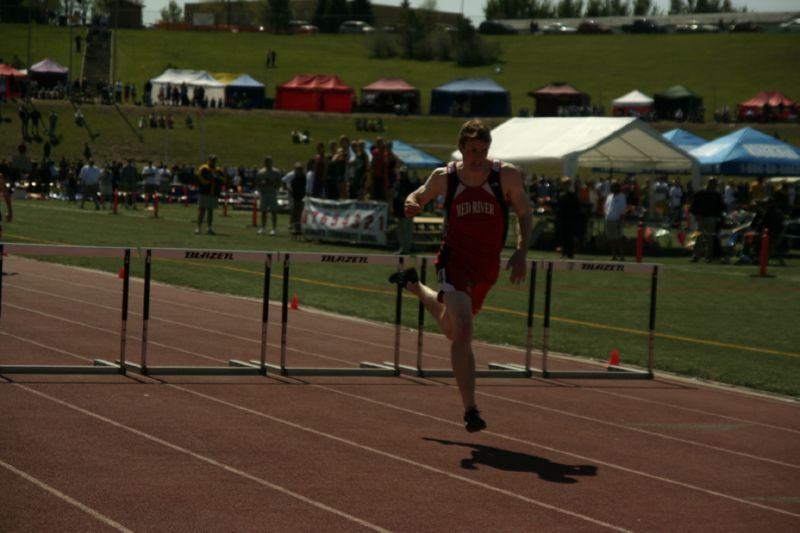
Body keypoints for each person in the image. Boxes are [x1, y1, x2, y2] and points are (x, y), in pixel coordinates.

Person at [387, 119, 531, 432]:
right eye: (472, 150)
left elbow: (524, 212)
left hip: (486, 266)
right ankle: (471, 409)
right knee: (464, 330)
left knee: (453, 330)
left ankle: (414, 286)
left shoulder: (504, 175)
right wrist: (411, 204)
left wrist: (521, 250)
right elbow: (418, 195)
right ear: (462, 148)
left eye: (484, 150)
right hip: (454, 260)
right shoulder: (446, 176)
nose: (478, 157)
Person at [690, 177, 725, 263]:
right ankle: (708, 257)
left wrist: (696, 215)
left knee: (700, 237)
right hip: (711, 218)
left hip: (702, 218)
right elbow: (721, 207)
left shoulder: (700, 193)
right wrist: (718, 216)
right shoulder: (717, 194)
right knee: (709, 238)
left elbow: (694, 205)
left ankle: (696, 256)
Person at [195, 154, 226, 235]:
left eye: (215, 160)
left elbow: (224, 180)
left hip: (213, 193)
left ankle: (209, 228)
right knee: (202, 210)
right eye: (212, 160)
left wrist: (218, 178)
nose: (213, 161)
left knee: (210, 210)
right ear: (208, 160)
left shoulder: (218, 170)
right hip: (204, 192)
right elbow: (200, 178)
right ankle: (198, 227)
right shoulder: (204, 168)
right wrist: (210, 180)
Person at [254, 156, 283, 235]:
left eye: (269, 161)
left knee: (273, 211)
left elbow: (279, 183)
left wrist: (273, 184)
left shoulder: (276, 172)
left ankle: (274, 228)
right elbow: (257, 183)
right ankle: (263, 228)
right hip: (264, 193)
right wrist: (262, 184)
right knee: (263, 211)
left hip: (272, 193)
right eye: (266, 161)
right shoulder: (261, 172)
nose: (267, 163)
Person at [555, 177, 581, 259]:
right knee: (562, 236)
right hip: (562, 218)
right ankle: (564, 252)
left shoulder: (573, 195)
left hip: (570, 219)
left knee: (569, 236)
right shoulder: (560, 194)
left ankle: (570, 253)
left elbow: (577, 208)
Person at [604, 180, 627, 261]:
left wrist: (620, 221)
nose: (612, 188)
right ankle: (614, 255)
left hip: (617, 220)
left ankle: (621, 255)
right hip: (609, 219)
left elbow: (622, 209)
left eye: (613, 186)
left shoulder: (622, 196)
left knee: (619, 239)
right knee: (611, 239)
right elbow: (606, 207)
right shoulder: (609, 196)